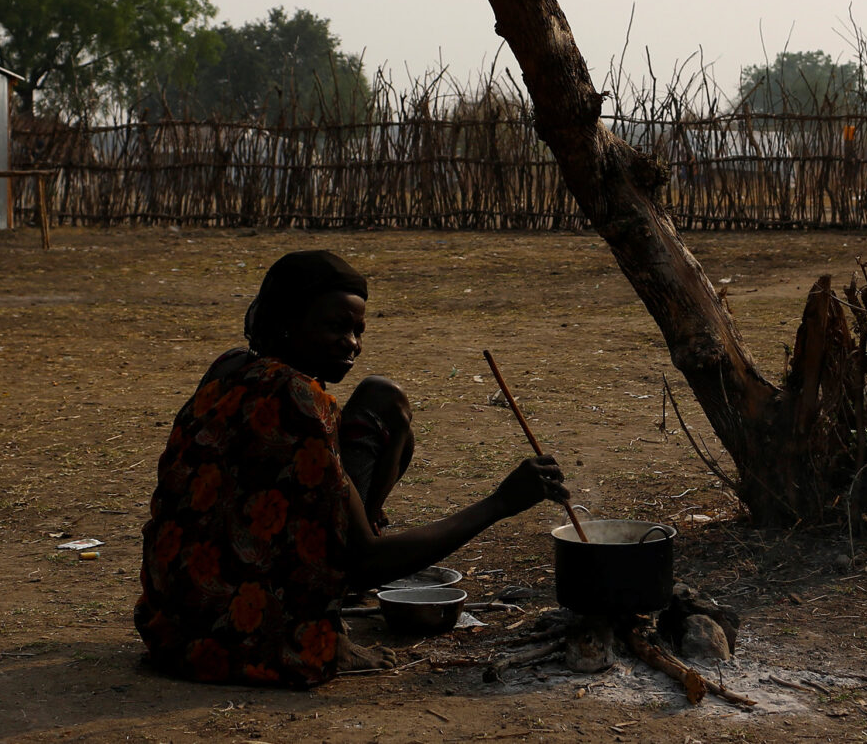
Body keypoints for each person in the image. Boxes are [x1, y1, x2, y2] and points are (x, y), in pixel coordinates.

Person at [135, 249, 568, 687]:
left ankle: (351, 542)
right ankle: (324, 631)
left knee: (383, 400)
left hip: (171, 618)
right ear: (287, 320)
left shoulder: (232, 366)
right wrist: (500, 503)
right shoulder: (297, 398)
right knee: (357, 543)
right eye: (335, 327)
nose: (353, 344)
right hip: (230, 635)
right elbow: (366, 564)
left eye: (358, 331)